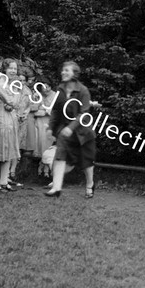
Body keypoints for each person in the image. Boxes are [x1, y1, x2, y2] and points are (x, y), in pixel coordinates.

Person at [45, 61, 96, 198]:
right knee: (60, 156)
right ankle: (56, 188)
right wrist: (51, 128)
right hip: (64, 132)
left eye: (67, 70)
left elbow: (84, 114)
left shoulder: (83, 91)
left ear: (75, 74)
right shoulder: (60, 89)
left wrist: (71, 127)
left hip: (82, 133)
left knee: (86, 163)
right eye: (63, 70)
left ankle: (90, 185)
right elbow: (55, 110)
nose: (63, 72)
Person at [0, 58, 21, 191]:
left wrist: (11, 103)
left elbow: (11, 103)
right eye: (11, 68)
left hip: (9, 122)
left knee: (9, 152)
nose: (13, 71)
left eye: (15, 69)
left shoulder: (8, 85)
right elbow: (14, 102)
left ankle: (3, 180)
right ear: (4, 69)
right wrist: (15, 98)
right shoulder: (0, 85)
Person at [33, 80, 55, 178]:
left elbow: (53, 110)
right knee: (40, 143)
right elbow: (33, 109)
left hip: (49, 122)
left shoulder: (55, 96)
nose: (46, 89)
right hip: (39, 122)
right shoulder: (38, 95)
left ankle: (47, 169)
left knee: (48, 144)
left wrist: (45, 111)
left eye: (48, 87)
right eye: (43, 87)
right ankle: (41, 167)